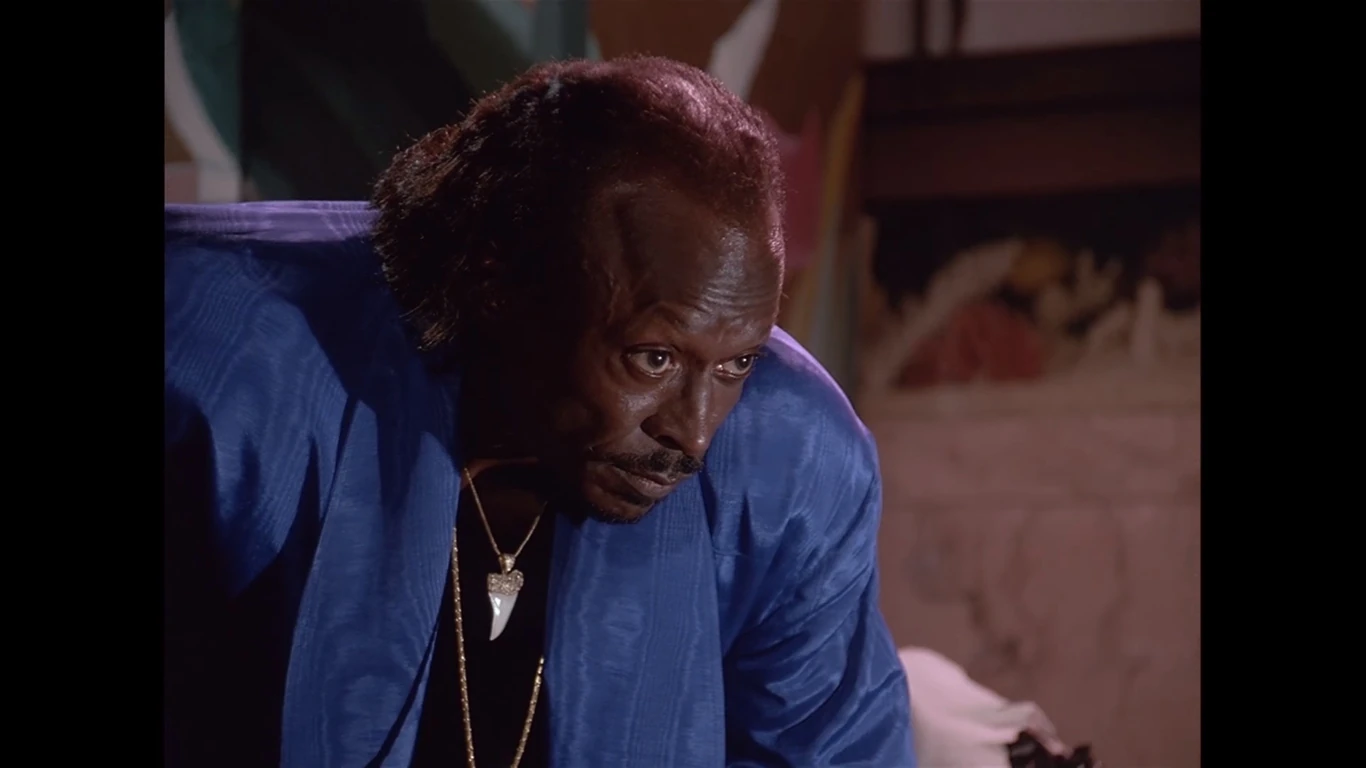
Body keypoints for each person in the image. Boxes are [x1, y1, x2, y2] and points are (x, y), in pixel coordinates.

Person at [165, 56, 914, 768]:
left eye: (736, 364)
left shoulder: (794, 461)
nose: (692, 432)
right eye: (652, 358)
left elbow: (830, 750)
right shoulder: (224, 362)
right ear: (500, 279)